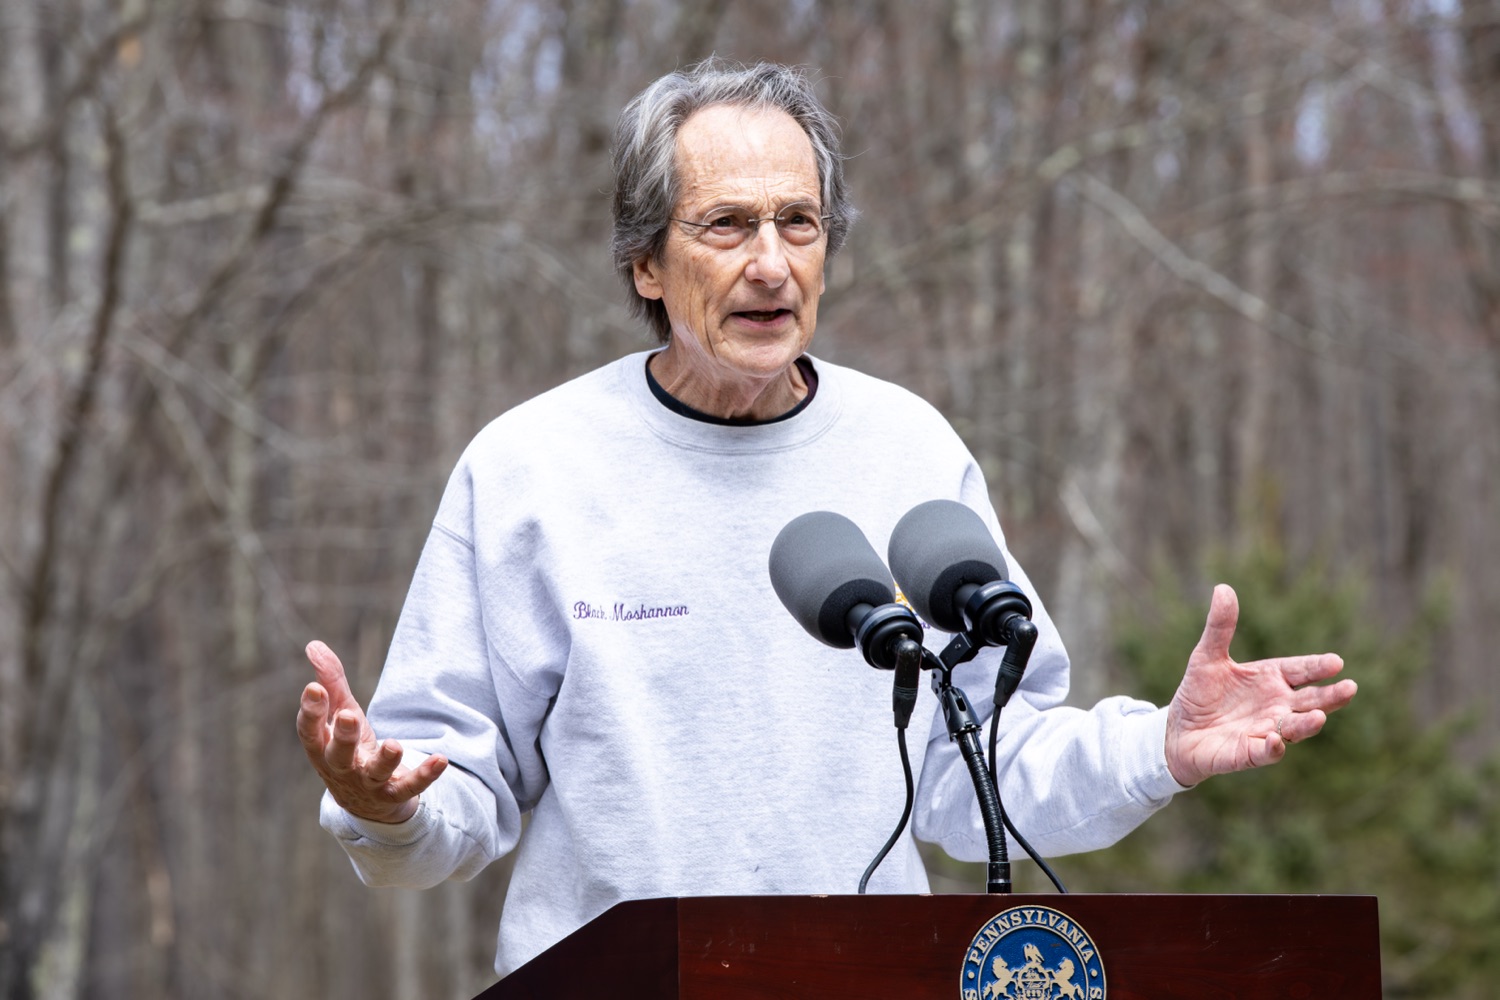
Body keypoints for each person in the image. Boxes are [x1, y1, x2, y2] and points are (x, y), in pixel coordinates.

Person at [295, 59, 1357, 978]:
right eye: (725, 224)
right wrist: (384, 805)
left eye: (797, 223)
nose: (771, 262)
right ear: (645, 263)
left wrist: (1159, 747)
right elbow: (449, 787)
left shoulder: (909, 450)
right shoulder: (530, 467)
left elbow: (984, 765)